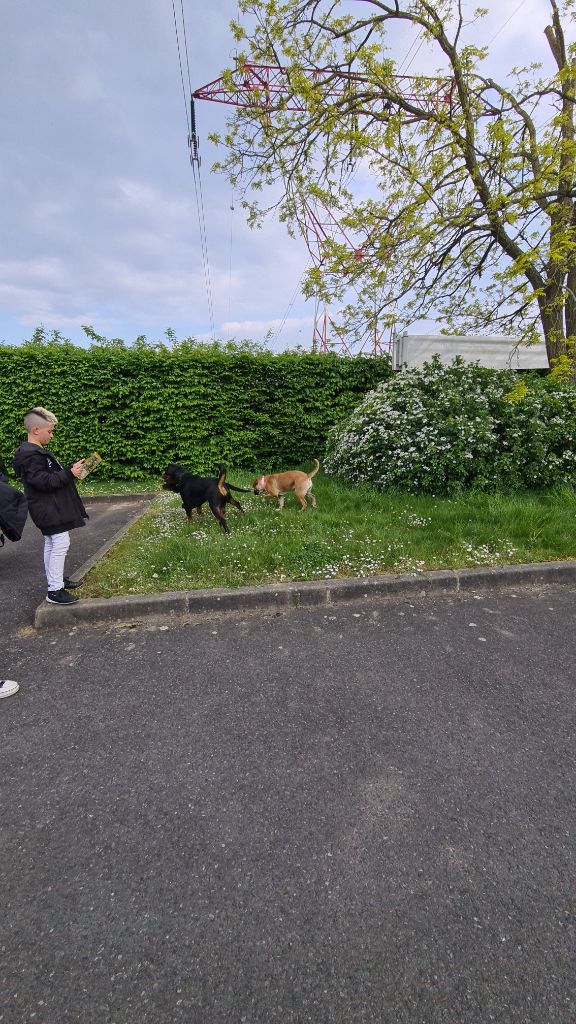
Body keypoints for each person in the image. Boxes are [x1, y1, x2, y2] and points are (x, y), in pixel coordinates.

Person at [12, 407, 88, 605]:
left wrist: (70, 470)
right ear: (36, 430)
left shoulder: (34, 453)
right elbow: (44, 482)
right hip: (47, 509)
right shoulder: (31, 456)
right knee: (60, 543)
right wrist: (69, 473)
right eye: (50, 431)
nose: (52, 435)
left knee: (52, 543)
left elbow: (49, 477)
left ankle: (56, 581)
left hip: (47, 508)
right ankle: (54, 591)